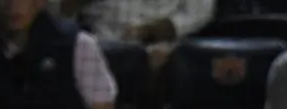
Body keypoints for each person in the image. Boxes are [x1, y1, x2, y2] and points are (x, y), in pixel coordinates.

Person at [63, 0, 211, 67]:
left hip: (159, 46)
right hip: (100, 44)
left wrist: (153, 30)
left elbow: (199, 13)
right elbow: (59, 11)